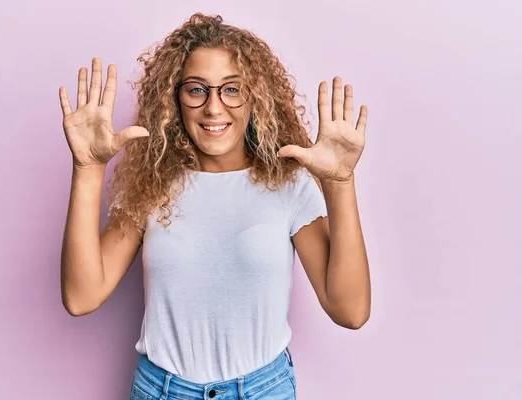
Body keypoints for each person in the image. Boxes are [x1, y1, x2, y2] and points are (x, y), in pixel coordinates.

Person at [58, 13, 371, 400]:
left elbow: (351, 311)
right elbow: (81, 296)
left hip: (262, 390)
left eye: (232, 89)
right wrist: (88, 170)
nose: (214, 107)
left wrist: (339, 183)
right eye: (196, 90)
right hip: (162, 390)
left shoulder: (289, 185)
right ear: (175, 99)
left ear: (255, 97)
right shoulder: (150, 185)